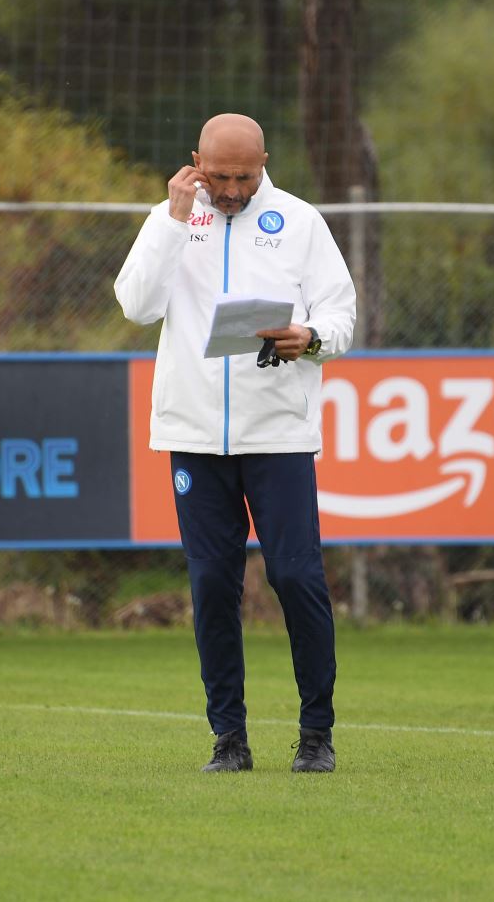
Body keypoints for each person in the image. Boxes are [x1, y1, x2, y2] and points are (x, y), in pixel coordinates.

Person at [114, 113, 356, 773]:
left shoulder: (301, 222)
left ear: (264, 162)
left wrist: (311, 336)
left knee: (297, 577)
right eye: (217, 176)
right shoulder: (171, 219)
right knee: (213, 584)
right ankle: (229, 738)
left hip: (277, 432)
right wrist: (170, 218)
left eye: (244, 177)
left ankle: (316, 732)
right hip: (193, 435)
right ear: (195, 161)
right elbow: (135, 304)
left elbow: (342, 314)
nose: (229, 190)